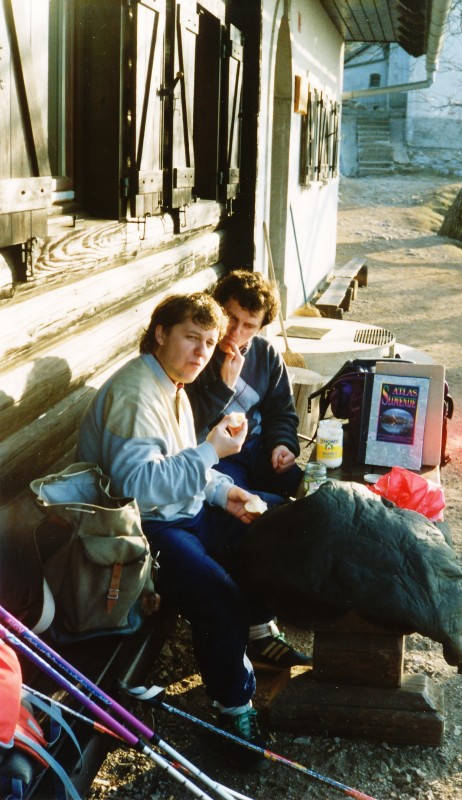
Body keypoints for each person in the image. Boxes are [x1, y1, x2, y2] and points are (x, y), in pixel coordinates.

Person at [76, 293, 309, 766]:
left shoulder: (173, 384)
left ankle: (260, 630)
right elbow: (138, 485)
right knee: (218, 596)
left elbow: (188, 466)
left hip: (182, 513)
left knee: (277, 523)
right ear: (161, 333)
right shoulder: (136, 393)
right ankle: (233, 710)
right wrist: (212, 451)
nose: (202, 352)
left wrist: (227, 494)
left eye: (208, 341)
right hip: (143, 531)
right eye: (191, 338)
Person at [186, 269, 303, 498]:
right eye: (231, 317)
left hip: (259, 448)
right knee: (256, 506)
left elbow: (281, 413)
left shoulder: (266, 354)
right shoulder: (197, 354)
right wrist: (223, 387)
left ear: (260, 328)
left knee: (310, 492)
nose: (235, 332)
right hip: (217, 456)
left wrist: (283, 444)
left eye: (249, 325)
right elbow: (187, 423)